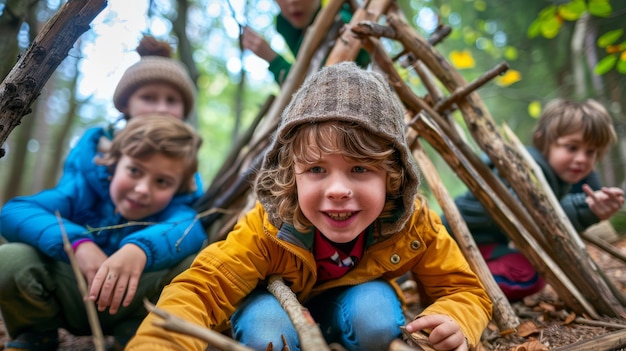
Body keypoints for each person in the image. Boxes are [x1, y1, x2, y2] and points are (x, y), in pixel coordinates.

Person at [125, 62, 492, 351]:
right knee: (266, 337)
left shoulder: (412, 225)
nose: (337, 190)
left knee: (377, 320)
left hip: (353, 306)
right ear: (292, 175)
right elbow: (202, 288)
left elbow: (463, 290)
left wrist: (454, 318)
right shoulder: (268, 228)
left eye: (359, 168)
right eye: (316, 169)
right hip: (274, 305)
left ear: (392, 176)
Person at [0, 115, 206, 351]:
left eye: (162, 181)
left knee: (194, 265)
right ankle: (36, 336)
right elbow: (15, 212)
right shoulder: (80, 193)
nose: (142, 189)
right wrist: (78, 243)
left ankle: (137, 340)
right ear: (114, 162)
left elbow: (191, 229)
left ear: (178, 187)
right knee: (9, 258)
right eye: (134, 170)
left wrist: (140, 249)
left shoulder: (178, 211)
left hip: (133, 308)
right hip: (70, 296)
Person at [443, 98, 625, 302]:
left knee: (533, 270)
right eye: (572, 148)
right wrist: (586, 209)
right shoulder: (525, 169)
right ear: (543, 141)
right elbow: (530, 218)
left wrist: (593, 207)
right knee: (529, 275)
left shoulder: (560, 176)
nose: (582, 158)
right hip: (452, 242)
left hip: (482, 244)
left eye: (591, 152)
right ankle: (453, 287)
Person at [61, 34, 198, 189]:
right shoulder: (91, 146)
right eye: (148, 98)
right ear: (126, 105)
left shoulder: (186, 159)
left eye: (171, 100)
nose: (162, 109)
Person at [241, 0, 370, 85]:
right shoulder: (292, 30)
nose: (291, 1)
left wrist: (273, 60)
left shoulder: (345, 23)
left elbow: (316, 90)